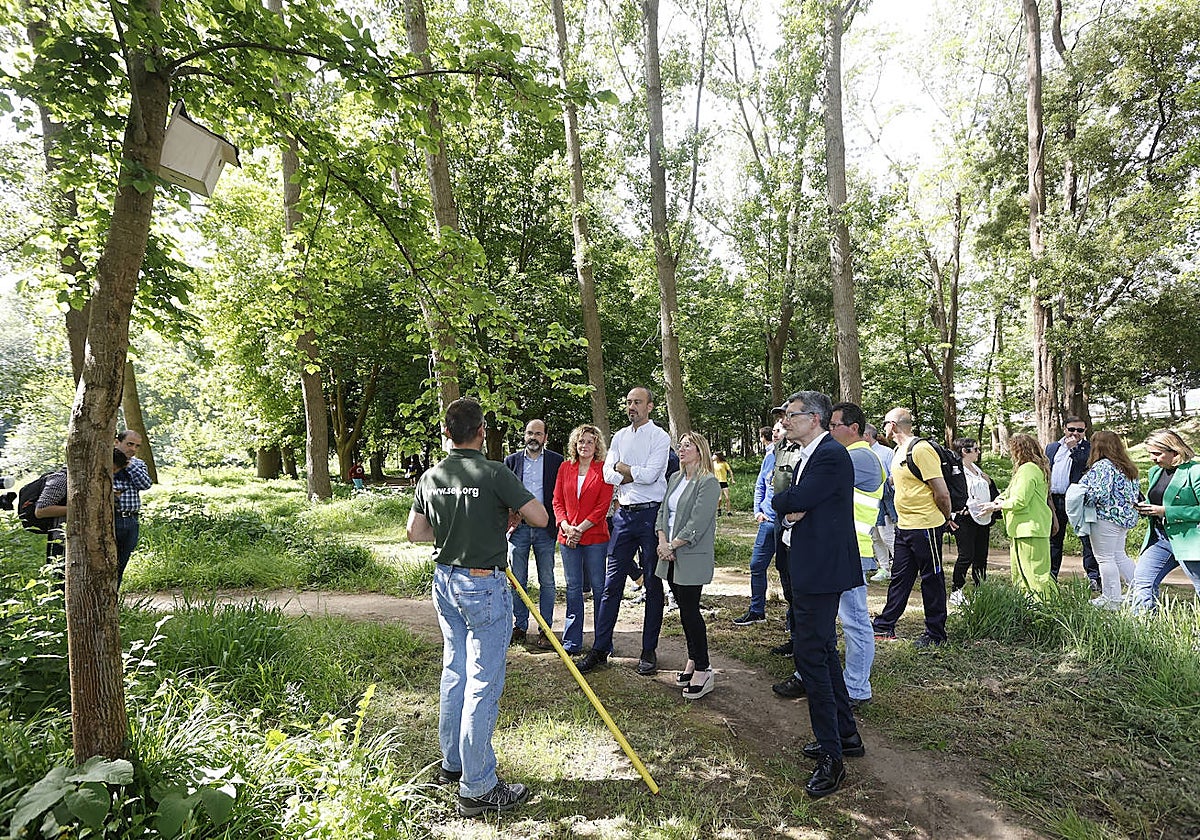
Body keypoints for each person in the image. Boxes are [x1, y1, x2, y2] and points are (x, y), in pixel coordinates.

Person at [406, 397, 548, 817]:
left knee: (455, 671)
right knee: (482, 682)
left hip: (445, 581)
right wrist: (502, 514)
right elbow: (540, 517)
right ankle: (479, 786)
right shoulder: (494, 472)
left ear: (447, 433)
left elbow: (415, 532)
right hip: (483, 585)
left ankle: (453, 764)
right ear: (482, 432)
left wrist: (461, 526)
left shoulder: (432, 476)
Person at [770, 391, 864, 799]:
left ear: (814, 418)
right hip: (810, 565)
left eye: (791, 415)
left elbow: (792, 499)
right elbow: (789, 502)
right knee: (822, 651)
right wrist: (789, 506)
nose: (785, 421)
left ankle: (832, 758)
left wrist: (788, 503)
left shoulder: (829, 455)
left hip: (821, 572)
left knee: (810, 657)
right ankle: (845, 736)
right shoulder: (808, 453)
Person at [576, 387, 672, 676]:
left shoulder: (660, 437)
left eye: (637, 402)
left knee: (653, 584)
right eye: (629, 402)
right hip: (623, 516)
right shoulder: (619, 436)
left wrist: (624, 469)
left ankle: (648, 650)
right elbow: (608, 475)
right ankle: (600, 648)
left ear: (650, 406)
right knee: (611, 584)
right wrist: (631, 472)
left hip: (652, 515)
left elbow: (652, 475)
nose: (632, 406)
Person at [871, 409, 953, 648]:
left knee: (932, 579)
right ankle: (884, 625)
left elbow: (942, 492)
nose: (883, 428)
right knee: (900, 577)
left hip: (926, 526)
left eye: (885, 423)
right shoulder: (899, 451)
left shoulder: (921, 449)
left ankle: (936, 634)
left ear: (893, 425)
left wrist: (947, 517)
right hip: (904, 526)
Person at [655, 432, 721, 699]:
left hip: (690, 555)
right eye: (679, 446)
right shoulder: (675, 478)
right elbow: (663, 512)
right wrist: (663, 542)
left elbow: (698, 522)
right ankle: (693, 659)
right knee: (683, 610)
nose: (681, 450)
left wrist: (672, 545)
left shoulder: (708, 482)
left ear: (700, 450)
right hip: (669, 554)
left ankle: (703, 668)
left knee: (691, 611)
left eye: (687, 446)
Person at [552, 424, 615, 654]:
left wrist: (579, 529)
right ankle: (572, 641)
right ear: (574, 444)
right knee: (573, 588)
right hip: (567, 537)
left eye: (590, 441)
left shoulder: (604, 469)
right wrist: (566, 527)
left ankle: (602, 643)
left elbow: (602, 506)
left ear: (597, 445)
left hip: (595, 538)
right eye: (581, 441)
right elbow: (557, 501)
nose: (584, 445)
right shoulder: (565, 467)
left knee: (599, 588)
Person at [503, 419, 565, 648]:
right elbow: (503, 494)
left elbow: (561, 494)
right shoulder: (511, 461)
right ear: (524, 435)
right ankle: (519, 625)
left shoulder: (557, 462)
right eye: (530, 433)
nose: (533, 437)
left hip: (545, 529)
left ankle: (545, 629)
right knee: (517, 580)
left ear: (545, 437)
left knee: (547, 580)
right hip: (518, 529)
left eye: (538, 434)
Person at [1129, 429, 1200, 613]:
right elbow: (1159, 500)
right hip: (1160, 538)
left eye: (1157, 454)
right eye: (1149, 453)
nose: (1152, 458)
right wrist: (1146, 507)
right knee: (1143, 580)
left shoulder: (1195, 471)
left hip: (1190, 540)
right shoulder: (1155, 471)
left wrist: (1166, 512)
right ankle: (1141, 626)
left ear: (1175, 451)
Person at [984, 434, 1054, 599]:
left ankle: (1044, 607)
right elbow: (1010, 492)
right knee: (1021, 575)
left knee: (1035, 575)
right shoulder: (1028, 469)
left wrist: (997, 506)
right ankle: (1027, 605)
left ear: (1018, 450)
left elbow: (1020, 500)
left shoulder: (1028, 469)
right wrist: (998, 500)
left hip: (1029, 528)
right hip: (1023, 529)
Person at [1078, 431, 1139, 609]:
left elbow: (1099, 494)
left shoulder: (1103, 466)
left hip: (1105, 517)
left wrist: (1082, 497)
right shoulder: (1128, 467)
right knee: (1119, 555)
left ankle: (1111, 598)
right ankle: (1139, 591)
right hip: (1124, 517)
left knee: (1104, 558)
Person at [36, 449, 128, 564]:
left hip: (88, 541)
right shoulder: (62, 479)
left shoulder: (91, 481)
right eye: (110, 470)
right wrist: (82, 509)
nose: (111, 474)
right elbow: (41, 511)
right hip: (63, 541)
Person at [1046, 416, 1102, 591]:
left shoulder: (1089, 448)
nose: (1075, 433)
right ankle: (1051, 577)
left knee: (1086, 539)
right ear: (1064, 429)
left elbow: (1085, 465)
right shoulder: (1052, 447)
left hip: (1079, 501)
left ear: (1085, 431)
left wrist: (1074, 448)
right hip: (1056, 499)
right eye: (1071, 429)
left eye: (1079, 430)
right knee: (1054, 537)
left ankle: (1094, 577)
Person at [734, 424, 782, 626]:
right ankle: (756, 611)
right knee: (756, 565)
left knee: (788, 572)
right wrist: (757, 511)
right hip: (767, 522)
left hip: (787, 525)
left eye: (779, 429)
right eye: (774, 430)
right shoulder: (769, 457)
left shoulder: (799, 456)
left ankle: (794, 620)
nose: (775, 433)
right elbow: (761, 484)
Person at [949, 438, 998, 606]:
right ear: (965, 451)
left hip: (983, 517)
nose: (978, 452)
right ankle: (957, 590)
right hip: (965, 519)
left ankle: (980, 589)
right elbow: (952, 492)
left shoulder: (977, 469)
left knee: (981, 556)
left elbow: (990, 488)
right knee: (966, 555)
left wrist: (990, 482)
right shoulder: (956, 471)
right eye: (976, 449)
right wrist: (958, 509)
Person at [114, 430, 153, 586]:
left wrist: (128, 465)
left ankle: (114, 595)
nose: (133, 449)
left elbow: (145, 484)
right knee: (106, 561)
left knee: (121, 563)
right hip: (111, 519)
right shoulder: (104, 461)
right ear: (117, 442)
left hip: (131, 519)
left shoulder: (138, 464)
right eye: (129, 444)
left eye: (137, 446)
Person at [867, 424, 896, 583]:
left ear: (867, 435)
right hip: (867, 501)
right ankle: (884, 568)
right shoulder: (862, 453)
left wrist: (880, 485)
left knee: (887, 536)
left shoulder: (887, 452)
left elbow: (895, 476)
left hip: (884, 501)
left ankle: (901, 567)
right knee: (875, 537)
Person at [712, 451, 734, 516]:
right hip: (717, 482)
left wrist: (732, 479)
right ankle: (719, 509)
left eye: (715, 455)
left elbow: (730, 471)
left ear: (718, 456)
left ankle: (729, 511)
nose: (713, 456)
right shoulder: (713, 463)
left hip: (724, 482)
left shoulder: (724, 463)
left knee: (727, 498)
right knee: (720, 499)